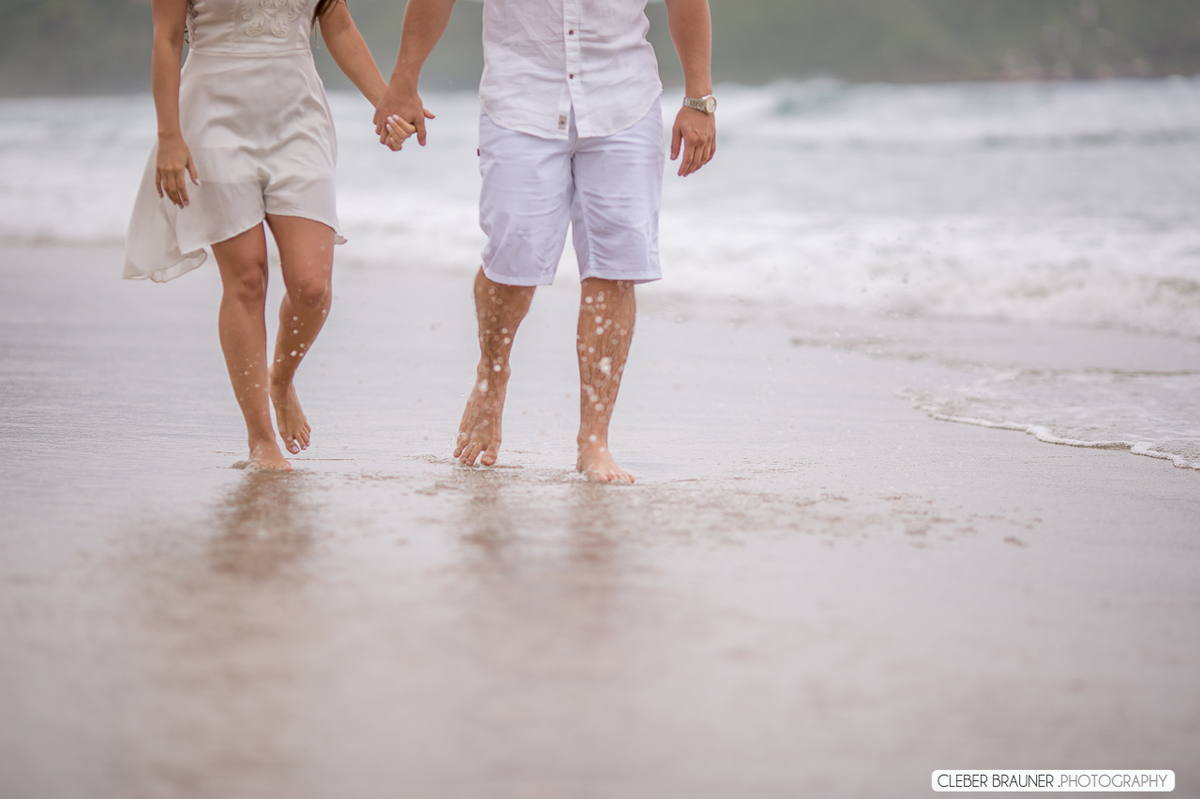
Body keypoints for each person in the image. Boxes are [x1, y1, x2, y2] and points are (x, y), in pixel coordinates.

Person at [375, 0, 717, 483]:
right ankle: (492, 374)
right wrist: (404, 80)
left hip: (624, 97)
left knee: (615, 267)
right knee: (512, 255)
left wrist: (698, 97)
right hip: (520, 95)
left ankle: (594, 440)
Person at [124, 0, 417, 471]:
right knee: (247, 280)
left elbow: (338, 25)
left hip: (298, 118)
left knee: (311, 286)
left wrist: (386, 101)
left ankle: (280, 379)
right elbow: (166, 38)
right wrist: (169, 136)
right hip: (213, 117)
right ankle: (261, 441)